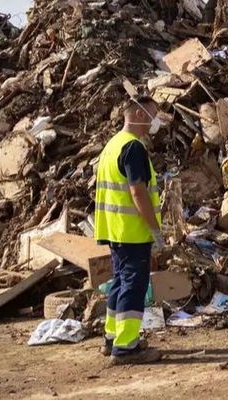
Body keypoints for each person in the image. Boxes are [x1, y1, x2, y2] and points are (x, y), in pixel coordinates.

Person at [94, 95, 165, 365]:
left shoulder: (112, 145)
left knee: (119, 283)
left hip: (115, 231)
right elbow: (138, 192)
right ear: (137, 114)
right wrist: (155, 230)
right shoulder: (133, 147)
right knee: (134, 286)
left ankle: (112, 338)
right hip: (133, 232)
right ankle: (126, 347)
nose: (155, 121)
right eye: (152, 114)